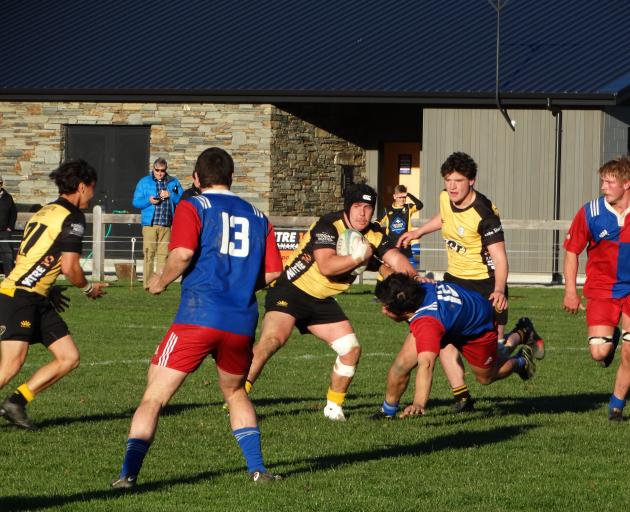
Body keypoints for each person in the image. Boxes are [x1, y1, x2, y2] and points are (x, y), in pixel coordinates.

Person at [112, 147, 283, 489]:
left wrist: (160, 280)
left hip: (198, 317)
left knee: (155, 395)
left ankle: (128, 475)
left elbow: (183, 253)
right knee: (235, 392)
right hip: (241, 321)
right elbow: (274, 271)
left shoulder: (192, 205)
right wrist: (243, 283)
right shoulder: (259, 216)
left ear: (195, 178)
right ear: (231, 177)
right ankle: (258, 469)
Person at [245, 183, 417, 421]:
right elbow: (326, 266)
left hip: (321, 299)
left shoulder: (375, 233)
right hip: (291, 290)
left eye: (368, 208)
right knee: (273, 340)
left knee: (351, 350)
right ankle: (238, 395)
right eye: (357, 206)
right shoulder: (328, 225)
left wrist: (417, 281)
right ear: (348, 207)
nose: (362, 213)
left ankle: (333, 408)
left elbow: (395, 259)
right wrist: (358, 256)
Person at [398, 151, 544, 411]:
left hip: (485, 286)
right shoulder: (446, 197)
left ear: (472, 181)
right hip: (455, 280)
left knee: (492, 359)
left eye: (458, 180)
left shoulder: (484, 214)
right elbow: (444, 216)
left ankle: (521, 338)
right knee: (446, 339)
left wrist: (499, 289)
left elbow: (500, 258)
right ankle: (463, 398)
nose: (452, 186)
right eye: (448, 180)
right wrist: (419, 231)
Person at [0, 160, 107, 430]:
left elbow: (36, 256)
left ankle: (16, 403)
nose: (93, 194)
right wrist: (87, 289)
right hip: (20, 296)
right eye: (92, 188)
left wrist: (49, 287)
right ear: (82, 187)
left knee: (68, 357)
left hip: (37, 296)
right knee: (11, 364)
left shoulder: (45, 211)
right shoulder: (73, 217)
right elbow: (71, 267)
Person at [371, 273, 539, 419]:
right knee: (401, 365)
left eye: (385, 306)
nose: (383, 309)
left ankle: (521, 360)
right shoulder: (416, 286)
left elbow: (427, 365)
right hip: (451, 317)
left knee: (486, 376)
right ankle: (387, 412)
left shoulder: (427, 324)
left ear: (402, 311)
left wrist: (418, 403)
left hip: (477, 327)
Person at [563, 156, 630, 421]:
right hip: (602, 289)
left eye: (609, 182)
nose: (603, 186)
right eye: (602, 181)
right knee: (600, 353)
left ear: (626, 184)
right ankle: (609, 339)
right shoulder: (590, 212)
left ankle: (616, 404)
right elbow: (571, 252)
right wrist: (570, 290)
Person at [132, 158, 183, 290]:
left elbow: (182, 200)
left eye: (162, 170)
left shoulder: (174, 183)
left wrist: (171, 194)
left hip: (166, 225)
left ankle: (160, 285)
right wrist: (149, 201)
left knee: (163, 256)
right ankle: (148, 284)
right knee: (149, 254)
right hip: (150, 225)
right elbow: (136, 202)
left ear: (166, 170)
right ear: (153, 169)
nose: (160, 173)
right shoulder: (144, 182)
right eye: (157, 170)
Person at [379, 184, 423, 269]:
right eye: (400, 197)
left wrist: (409, 195)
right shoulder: (387, 209)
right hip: (392, 245)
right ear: (394, 196)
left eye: (404, 197)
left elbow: (420, 205)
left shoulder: (408, 207)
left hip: (406, 245)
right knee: (390, 269)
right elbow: (377, 222)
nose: (402, 200)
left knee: (409, 269)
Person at [0, 174, 17, 276]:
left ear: (1, 184)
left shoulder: (8, 197)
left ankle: (9, 276)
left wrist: (10, 227)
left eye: (0, 183)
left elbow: (13, 213)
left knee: (8, 254)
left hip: (4, 231)